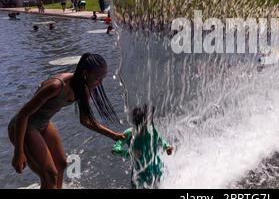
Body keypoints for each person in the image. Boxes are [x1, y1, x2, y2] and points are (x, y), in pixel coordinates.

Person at [8, 53, 125, 189]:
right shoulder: (57, 85)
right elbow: (23, 114)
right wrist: (18, 153)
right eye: (97, 78)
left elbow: (86, 120)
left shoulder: (84, 89)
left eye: (102, 79)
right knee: (50, 174)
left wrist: (114, 135)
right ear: (85, 73)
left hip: (44, 124)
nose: (99, 83)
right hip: (24, 126)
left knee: (61, 164)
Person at [112, 105, 173, 189]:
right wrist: (129, 153)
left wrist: (167, 148)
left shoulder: (152, 131)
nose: (144, 128)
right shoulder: (129, 133)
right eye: (140, 125)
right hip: (139, 175)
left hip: (156, 171)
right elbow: (115, 149)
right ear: (135, 123)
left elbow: (162, 141)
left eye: (145, 124)